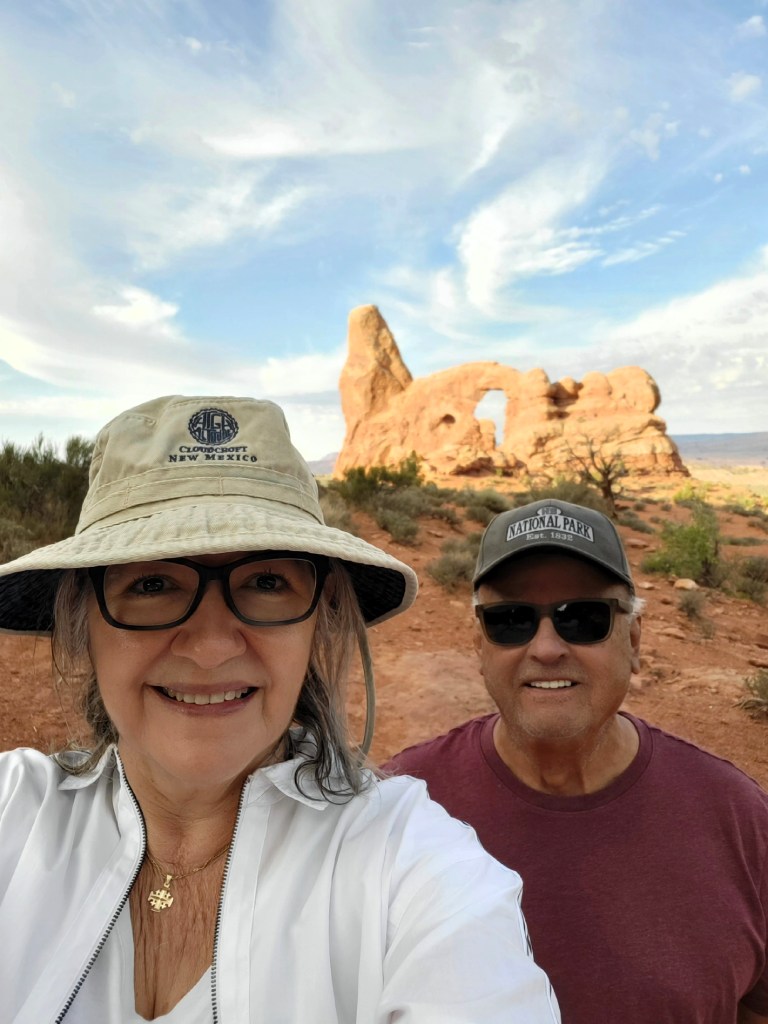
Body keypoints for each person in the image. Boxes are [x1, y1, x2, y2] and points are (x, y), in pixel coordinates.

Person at [0, 397, 560, 1024]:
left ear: (321, 622)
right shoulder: (12, 813)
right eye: (152, 584)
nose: (211, 647)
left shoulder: (412, 868)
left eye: (266, 582)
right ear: (81, 623)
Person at [384, 498, 768, 1024]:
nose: (546, 648)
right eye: (511, 620)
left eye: (583, 618)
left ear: (634, 640)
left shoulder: (737, 817)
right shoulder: (400, 810)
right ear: (479, 646)